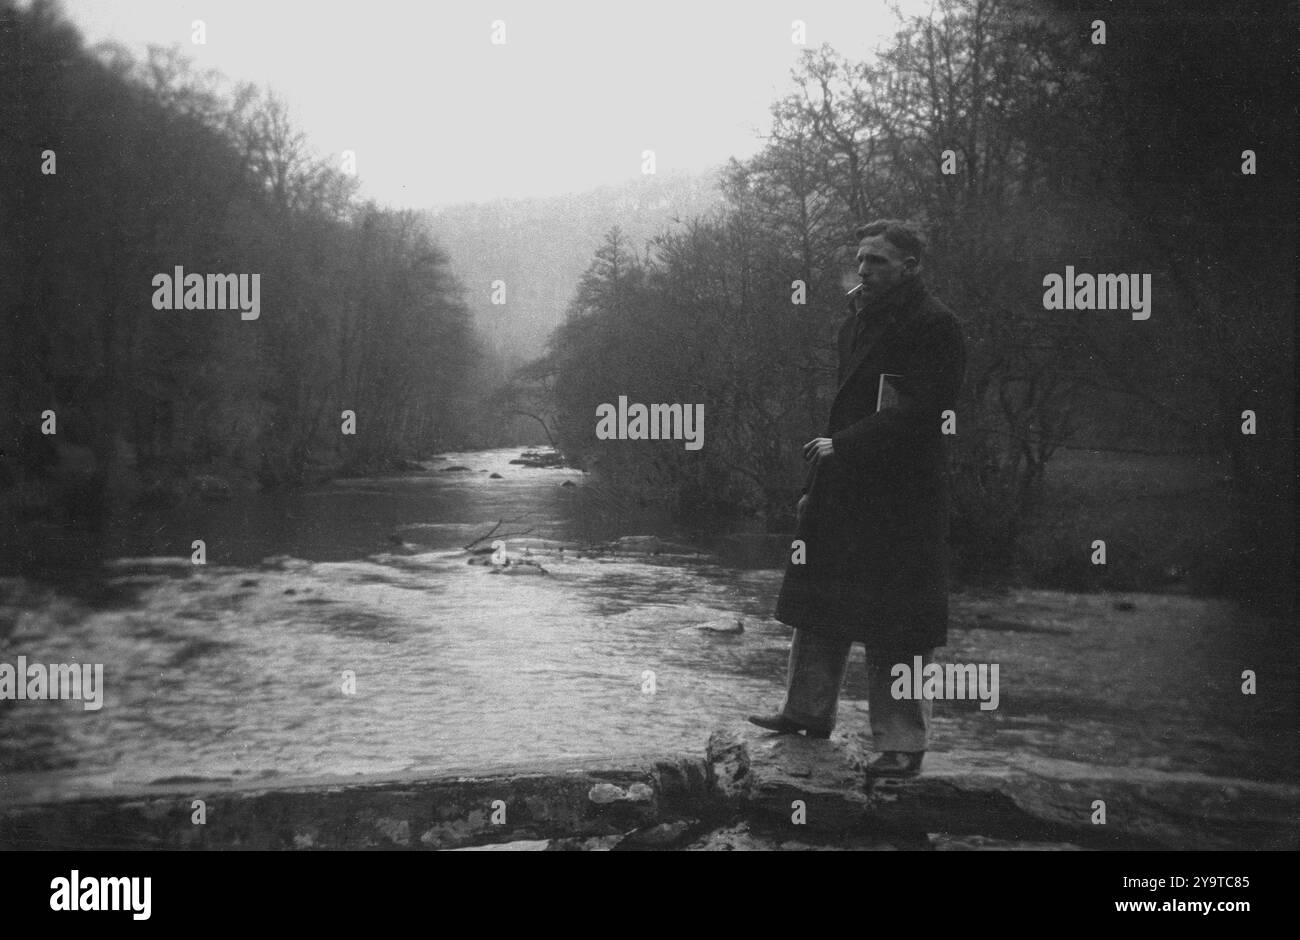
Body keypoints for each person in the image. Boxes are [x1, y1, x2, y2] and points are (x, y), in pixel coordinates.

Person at [749, 219, 966, 780]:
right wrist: (813, 484)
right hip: (843, 481)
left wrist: (842, 446)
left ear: (911, 266)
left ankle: (902, 744)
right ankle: (805, 714)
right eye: (862, 259)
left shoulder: (936, 326)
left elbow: (926, 410)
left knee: (898, 620)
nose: (865, 270)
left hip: (904, 495)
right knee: (819, 601)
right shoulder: (858, 319)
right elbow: (848, 406)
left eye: (879, 262)